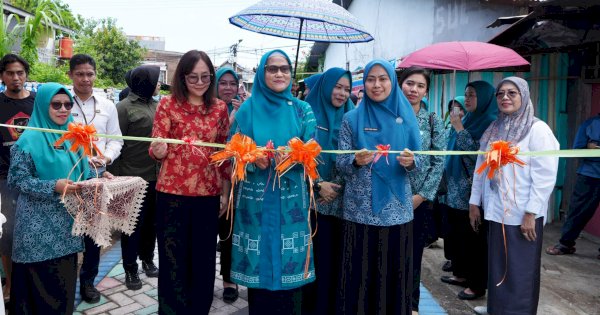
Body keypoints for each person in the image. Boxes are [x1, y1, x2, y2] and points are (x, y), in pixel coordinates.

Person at [8, 82, 112, 314]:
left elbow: (82, 168)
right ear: (44, 106)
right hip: (36, 231)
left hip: (66, 228)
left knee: (62, 287)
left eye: (67, 104)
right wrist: (53, 186)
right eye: (56, 104)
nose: (63, 109)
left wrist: (101, 174)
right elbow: (17, 180)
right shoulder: (27, 141)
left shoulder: (73, 136)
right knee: (36, 293)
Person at [228, 50, 316, 314]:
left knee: (290, 277)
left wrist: (290, 156)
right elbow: (232, 152)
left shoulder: (302, 110)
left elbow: (312, 148)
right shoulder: (247, 109)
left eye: (285, 69)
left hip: (291, 203)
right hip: (256, 203)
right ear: (261, 73)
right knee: (261, 277)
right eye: (272, 68)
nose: (279, 74)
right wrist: (253, 158)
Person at [336, 59, 421, 314]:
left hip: (397, 212)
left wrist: (411, 162)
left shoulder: (406, 118)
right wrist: (355, 161)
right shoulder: (351, 119)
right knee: (359, 276)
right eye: (371, 79)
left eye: (383, 78)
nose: (376, 84)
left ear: (392, 82)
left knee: (393, 276)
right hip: (359, 212)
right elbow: (340, 162)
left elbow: (423, 158)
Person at [149, 50, 230, 314]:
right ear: (182, 78)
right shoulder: (167, 104)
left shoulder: (219, 108)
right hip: (171, 194)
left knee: (204, 260)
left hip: (207, 195)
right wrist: (158, 149)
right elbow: (156, 145)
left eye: (205, 76)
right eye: (193, 77)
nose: (199, 82)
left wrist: (225, 192)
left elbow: (223, 154)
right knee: (173, 259)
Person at [470, 77, 559, 315]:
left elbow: (546, 175)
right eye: (501, 94)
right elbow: (481, 166)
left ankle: (519, 311)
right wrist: (474, 202)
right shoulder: (495, 128)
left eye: (512, 93)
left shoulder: (537, 129)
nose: (505, 98)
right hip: (496, 209)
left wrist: (531, 212)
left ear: (524, 96)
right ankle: (497, 307)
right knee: (498, 262)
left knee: (520, 267)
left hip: (522, 213)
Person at [68, 54, 123, 304]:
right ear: (71, 75)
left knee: (93, 234)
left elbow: (116, 139)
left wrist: (106, 159)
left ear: (95, 74)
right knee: (67, 233)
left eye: (90, 73)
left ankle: (88, 282)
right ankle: (66, 283)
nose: (85, 79)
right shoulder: (62, 103)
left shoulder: (107, 105)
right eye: (80, 74)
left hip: (98, 176)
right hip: (67, 177)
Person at [440, 81, 497, 301]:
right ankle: (461, 274)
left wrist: (459, 129)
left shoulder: (490, 123)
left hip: (473, 190)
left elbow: (476, 155)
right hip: (455, 188)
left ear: (483, 98)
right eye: (466, 95)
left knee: (474, 238)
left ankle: (477, 284)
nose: (468, 99)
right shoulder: (469, 119)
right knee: (458, 235)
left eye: (472, 95)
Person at [303, 67, 354, 314]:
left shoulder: (352, 116)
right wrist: (317, 184)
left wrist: (340, 186)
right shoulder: (306, 114)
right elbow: (297, 154)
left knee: (338, 263)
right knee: (314, 262)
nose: (342, 93)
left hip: (343, 204)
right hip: (312, 202)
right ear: (325, 86)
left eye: (346, 89)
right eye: (337, 87)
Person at [399, 66, 446, 313]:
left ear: (426, 90)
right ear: (400, 84)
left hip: (418, 199)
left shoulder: (432, 119)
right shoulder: (388, 114)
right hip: (389, 196)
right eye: (409, 83)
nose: (413, 90)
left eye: (420, 86)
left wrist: (423, 195)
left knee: (413, 252)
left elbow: (439, 160)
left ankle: (411, 304)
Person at [112, 65, 161, 290]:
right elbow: (115, 143)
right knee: (131, 227)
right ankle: (130, 269)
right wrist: (118, 179)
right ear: (145, 81)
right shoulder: (122, 108)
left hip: (155, 177)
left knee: (151, 223)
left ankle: (148, 260)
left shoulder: (156, 105)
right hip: (131, 178)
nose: (158, 84)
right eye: (155, 80)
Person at [0, 54, 35, 303]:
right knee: (8, 233)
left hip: (36, 177)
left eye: (20, 73)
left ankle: (32, 281)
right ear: (2, 76)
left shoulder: (39, 103)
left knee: (33, 231)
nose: (16, 78)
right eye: (10, 73)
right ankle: (11, 283)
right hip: (5, 177)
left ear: (26, 75)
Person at [546, 113, 600, 257]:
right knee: (578, 211)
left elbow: (592, 149)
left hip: (591, 171)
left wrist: (595, 147)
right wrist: (589, 150)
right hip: (589, 175)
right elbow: (578, 150)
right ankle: (565, 244)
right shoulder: (590, 124)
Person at [215, 66, 242, 303]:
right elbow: (216, 143)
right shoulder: (207, 110)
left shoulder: (244, 111)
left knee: (228, 232)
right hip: (207, 179)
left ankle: (228, 280)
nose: (227, 88)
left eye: (232, 83)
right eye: (223, 83)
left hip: (235, 179)